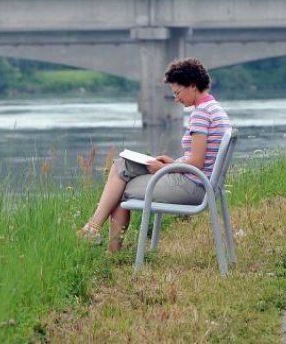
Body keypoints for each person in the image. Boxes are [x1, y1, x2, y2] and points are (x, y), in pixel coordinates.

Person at [78, 57, 231, 252]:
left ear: (192, 85)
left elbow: (198, 162)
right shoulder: (214, 108)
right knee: (121, 166)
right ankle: (96, 233)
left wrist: (164, 167)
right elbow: (200, 158)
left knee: (120, 187)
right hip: (202, 183)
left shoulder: (201, 113)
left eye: (178, 92)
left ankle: (102, 241)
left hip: (195, 187)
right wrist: (174, 162)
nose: (176, 98)